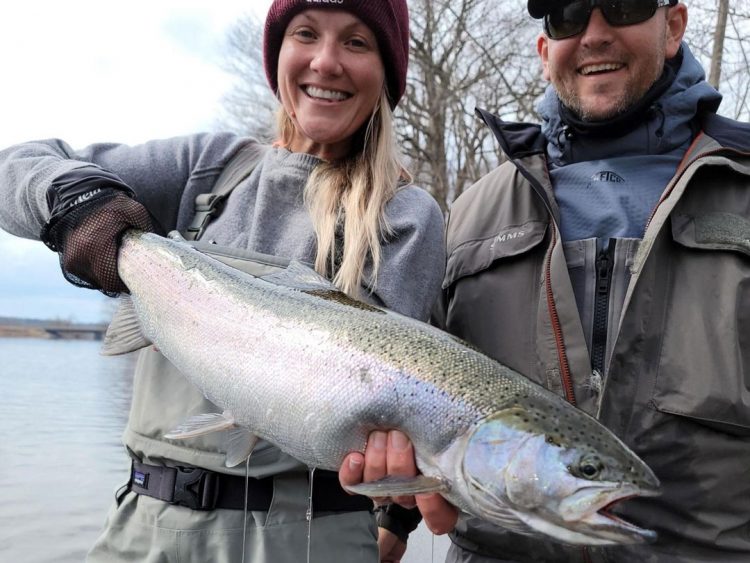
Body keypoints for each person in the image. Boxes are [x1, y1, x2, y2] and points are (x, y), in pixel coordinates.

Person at [0, 1, 447, 561]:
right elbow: (16, 164)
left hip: (311, 535)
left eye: (357, 43)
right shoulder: (207, 167)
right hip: (148, 530)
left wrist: (396, 507)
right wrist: (78, 201)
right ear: (278, 53)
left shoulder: (406, 216)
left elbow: (395, 411)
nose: (326, 62)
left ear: (387, 70)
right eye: (306, 34)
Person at [342, 0, 750, 561]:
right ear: (544, 50)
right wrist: (393, 517)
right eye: (568, 16)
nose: (595, 35)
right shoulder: (467, 214)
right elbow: (414, 382)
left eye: (624, 6)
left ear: (674, 25)